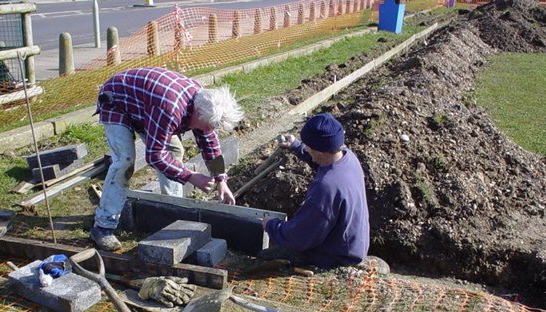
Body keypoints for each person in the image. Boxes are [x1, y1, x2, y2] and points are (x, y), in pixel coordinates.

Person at [91, 67, 244, 251]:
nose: (209, 130)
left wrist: (221, 180)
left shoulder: (203, 102)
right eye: (208, 125)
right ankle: (103, 226)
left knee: (173, 152)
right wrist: (190, 176)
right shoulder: (170, 109)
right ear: (198, 114)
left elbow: (210, 143)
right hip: (118, 100)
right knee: (125, 161)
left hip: (146, 105)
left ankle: (174, 213)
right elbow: (155, 156)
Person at [259, 113, 371, 269]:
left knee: (264, 257)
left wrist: (271, 226)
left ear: (320, 151)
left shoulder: (326, 187)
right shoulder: (348, 158)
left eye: (308, 146)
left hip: (336, 256)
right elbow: (323, 163)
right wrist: (296, 146)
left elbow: (301, 236)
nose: (306, 148)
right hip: (352, 245)